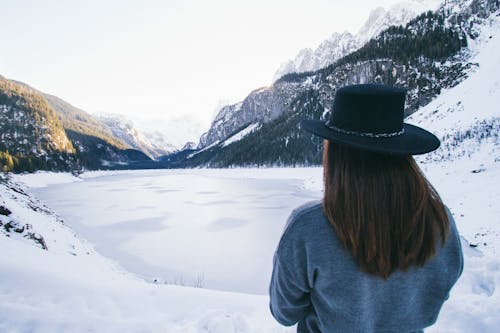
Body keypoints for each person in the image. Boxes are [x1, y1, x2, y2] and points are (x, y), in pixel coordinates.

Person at [269, 84, 463, 333]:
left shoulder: (309, 227)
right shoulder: (439, 221)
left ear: (337, 156)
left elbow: (284, 312)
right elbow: (438, 291)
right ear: (402, 154)